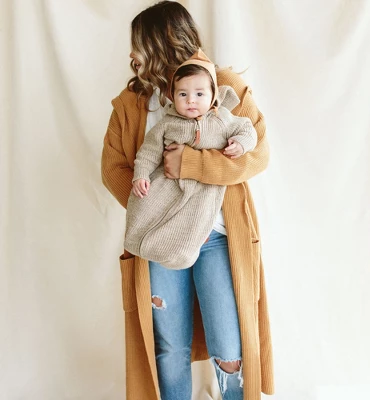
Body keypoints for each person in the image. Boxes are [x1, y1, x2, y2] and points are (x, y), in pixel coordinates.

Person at [101, 1, 274, 399]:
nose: (132, 54)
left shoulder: (222, 85)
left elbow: (258, 153)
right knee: (169, 346)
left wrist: (192, 164)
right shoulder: (133, 102)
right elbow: (113, 169)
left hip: (219, 238)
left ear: (160, 43)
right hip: (160, 241)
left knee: (230, 344)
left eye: (138, 44)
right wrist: (158, 208)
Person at [124, 49, 257, 270]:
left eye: (199, 94)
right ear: (173, 96)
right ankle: (140, 242)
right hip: (168, 185)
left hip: (203, 192)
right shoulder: (168, 124)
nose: (191, 101)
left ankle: (182, 255)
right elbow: (148, 152)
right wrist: (141, 175)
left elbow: (248, 129)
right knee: (145, 207)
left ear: (213, 96)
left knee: (191, 228)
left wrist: (241, 143)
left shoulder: (222, 119)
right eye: (183, 94)